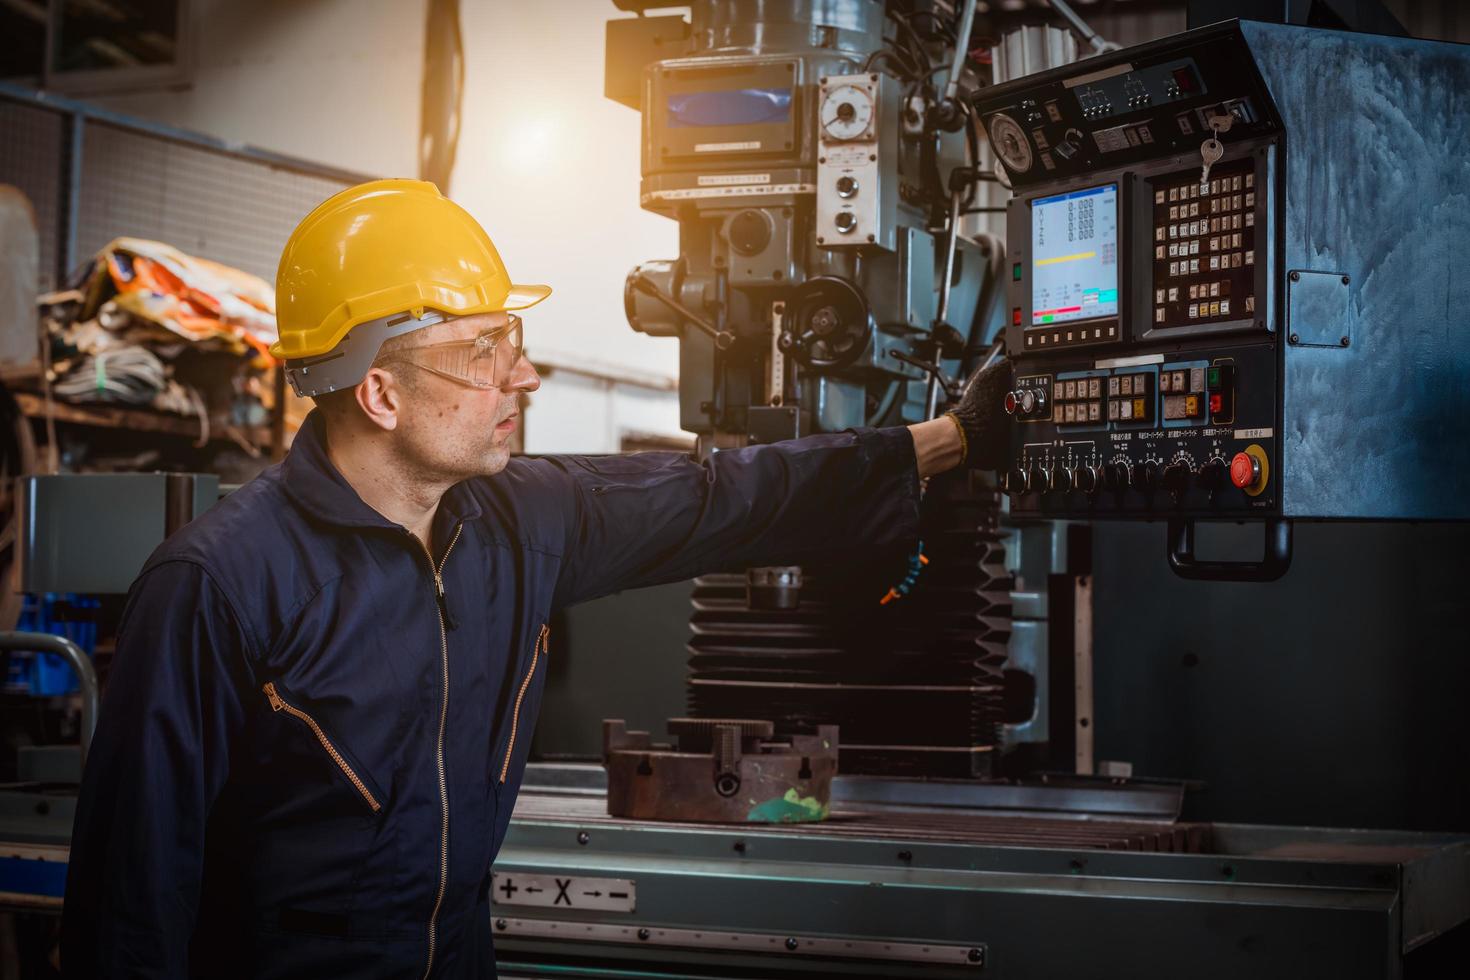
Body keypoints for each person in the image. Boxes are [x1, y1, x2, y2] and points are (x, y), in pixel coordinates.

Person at [60, 180, 1008, 978]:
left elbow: (720, 496)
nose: (524, 376)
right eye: (483, 351)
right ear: (381, 393)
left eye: (510, 338)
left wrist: (948, 440)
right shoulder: (218, 584)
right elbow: (129, 902)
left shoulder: (518, 522)